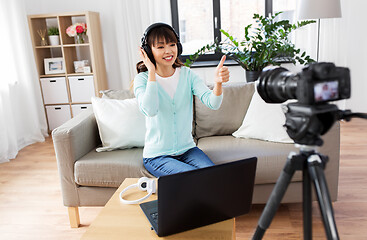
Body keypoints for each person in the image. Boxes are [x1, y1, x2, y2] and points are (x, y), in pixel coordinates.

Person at [134, 23, 229, 177]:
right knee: (193, 179)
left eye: (172, 44)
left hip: (188, 150)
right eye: (160, 47)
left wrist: (218, 83)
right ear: (147, 51)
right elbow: (150, 110)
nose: (168, 51)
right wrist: (152, 72)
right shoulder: (142, 80)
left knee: (213, 177)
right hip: (157, 156)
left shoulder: (187, 75)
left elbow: (213, 103)